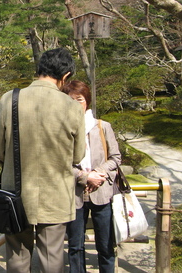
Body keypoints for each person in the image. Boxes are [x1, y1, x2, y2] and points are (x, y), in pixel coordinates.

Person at [0, 47, 86, 272]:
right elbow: (78, 155)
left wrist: (13, 166)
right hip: (56, 194)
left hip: (16, 193)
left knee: (17, 257)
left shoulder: (10, 99)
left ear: (40, 69)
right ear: (65, 76)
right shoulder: (72, 107)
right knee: (52, 258)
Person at [61, 80, 122, 273]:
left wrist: (98, 173)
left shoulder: (102, 127)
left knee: (105, 245)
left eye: (79, 99)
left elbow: (115, 158)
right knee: (75, 246)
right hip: (75, 193)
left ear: (87, 100)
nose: (76, 103)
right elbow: (60, 163)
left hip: (101, 193)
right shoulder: (63, 130)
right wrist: (84, 177)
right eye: (70, 99)